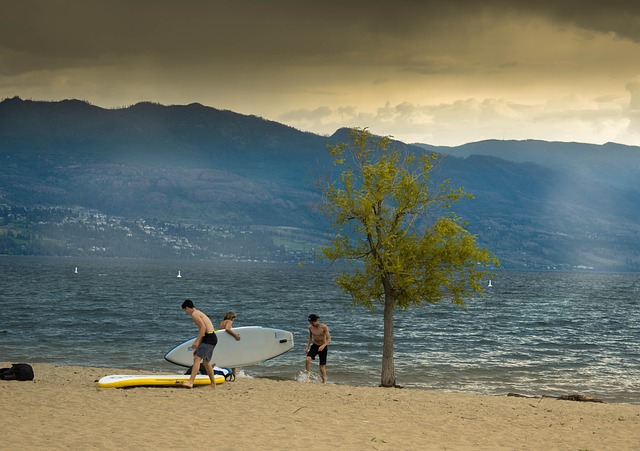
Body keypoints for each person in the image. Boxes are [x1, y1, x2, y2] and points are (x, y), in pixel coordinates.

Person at [181, 299, 217, 389]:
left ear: (187, 308)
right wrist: (198, 347)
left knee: (197, 358)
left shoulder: (195, 314)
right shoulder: (198, 312)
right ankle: (213, 384)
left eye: (185, 310)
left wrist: (196, 342)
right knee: (206, 362)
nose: (186, 313)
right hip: (211, 337)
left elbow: (203, 328)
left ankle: (190, 382)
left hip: (209, 338)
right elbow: (204, 331)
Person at [305, 313, 331, 383]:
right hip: (315, 346)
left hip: (323, 346)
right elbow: (310, 337)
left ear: (316, 320)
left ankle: (324, 381)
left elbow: (329, 339)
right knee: (307, 360)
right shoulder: (310, 327)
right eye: (310, 322)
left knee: (321, 367)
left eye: (313, 322)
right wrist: (307, 347)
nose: (312, 324)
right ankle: (307, 377)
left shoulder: (323, 327)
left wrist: (323, 346)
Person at [220, 311, 241, 379]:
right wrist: (235, 335)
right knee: (233, 358)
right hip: (227, 342)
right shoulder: (229, 321)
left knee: (224, 357)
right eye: (234, 318)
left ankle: (224, 373)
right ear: (231, 317)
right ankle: (234, 374)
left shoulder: (222, 322)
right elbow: (227, 329)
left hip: (222, 342)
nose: (233, 320)